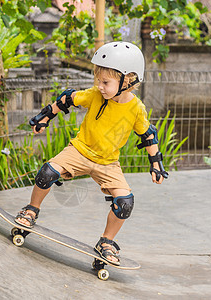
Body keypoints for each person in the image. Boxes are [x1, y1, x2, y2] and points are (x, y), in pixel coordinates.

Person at [15, 41, 168, 265]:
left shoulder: (136, 109)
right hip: (79, 151)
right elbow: (67, 98)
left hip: (108, 163)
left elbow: (148, 135)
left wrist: (156, 164)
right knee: (47, 172)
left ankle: (106, 242)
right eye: (98, 81)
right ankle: (31, 210)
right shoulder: (95, 95)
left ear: (128, 80)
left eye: (105, 82)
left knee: (125, 202)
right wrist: (45, 116)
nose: (100, 86)